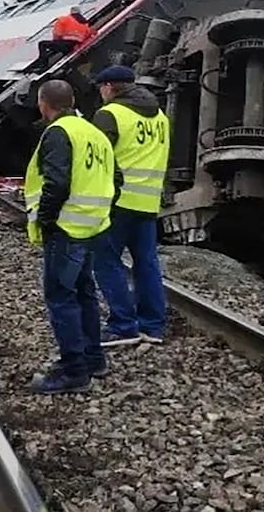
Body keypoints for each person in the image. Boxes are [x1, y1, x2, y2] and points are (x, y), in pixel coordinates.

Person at [24, 79, 121, 394]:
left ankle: (73, 371)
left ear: (43, 103)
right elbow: (116, 179)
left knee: (61, 297)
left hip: (66, 228)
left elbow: (57, 182)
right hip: (92, 226)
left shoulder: (58, 132)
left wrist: (48, 220)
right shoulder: (94, 132)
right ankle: (94, 359)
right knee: (84, 293)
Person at [90, 65, 171, 346]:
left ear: (109, 86)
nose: (100, 94)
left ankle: (123, 325)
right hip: (148, 202)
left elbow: (97, 158)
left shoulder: (110, 114)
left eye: (101, 88)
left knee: (105, 261)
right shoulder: (160, 116)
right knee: (146, 263)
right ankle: (153, 325)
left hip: (117, 201)